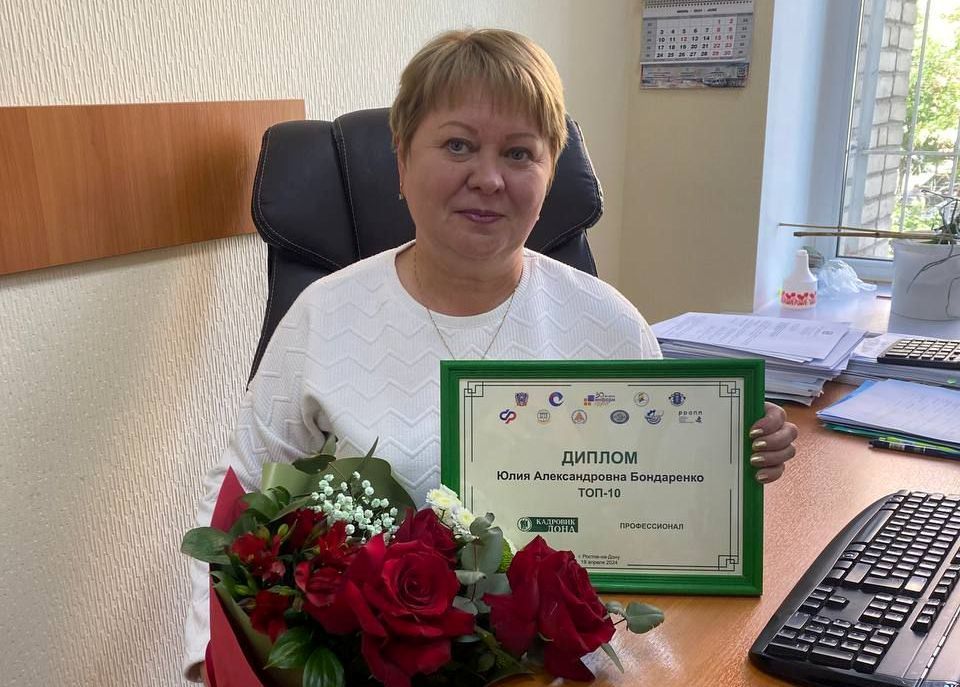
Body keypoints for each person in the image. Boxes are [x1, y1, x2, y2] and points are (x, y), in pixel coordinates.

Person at [184, 28, 799, 683]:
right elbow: (233, 498)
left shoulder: (609, 323)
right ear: (401, 160)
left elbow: (661, 506)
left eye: (519, 152)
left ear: (550, 173)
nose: (488, 178)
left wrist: (728, 455)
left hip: (569, 668)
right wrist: (210, 661)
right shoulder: (325, 314)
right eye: (458, 145)